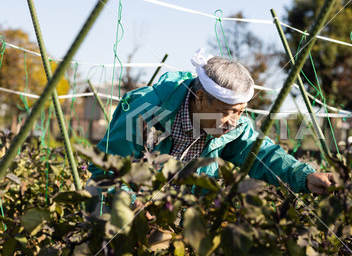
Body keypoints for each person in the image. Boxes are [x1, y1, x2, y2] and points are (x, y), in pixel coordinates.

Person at [88, 48, 334, 198]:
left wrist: (305, 176)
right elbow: (107, 170)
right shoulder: (145, 110)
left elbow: (264, 155)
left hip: (176, 211)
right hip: (119, 204)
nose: (233, 122)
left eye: (240, 112)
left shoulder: (233, 126)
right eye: (227, 112)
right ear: (201, 97)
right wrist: (136, 206)